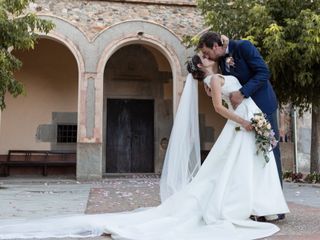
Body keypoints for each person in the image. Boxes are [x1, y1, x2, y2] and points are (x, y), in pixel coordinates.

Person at [0, 55, 289, 240]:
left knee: (233, 170)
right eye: (203, 55)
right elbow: (220, 105)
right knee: (225, 172)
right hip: (241, 123)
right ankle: (241, 207)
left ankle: (252, 205)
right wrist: (244, 120)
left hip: (244, 124)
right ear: (201, 66)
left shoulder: (224, 68)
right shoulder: (213, 79)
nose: (206, 54)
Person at [198, 32, 284, 221]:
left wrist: (242, 93)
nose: (206, 57)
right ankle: (257, 204)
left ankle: (276, 207)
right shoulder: (221, 61)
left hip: (262, 106)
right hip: (244, 113)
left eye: (206, 52)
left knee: (270, 151)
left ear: (215, 46)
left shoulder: (243, 47)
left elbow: (263, 72)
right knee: (252, 156)